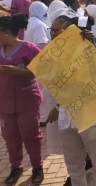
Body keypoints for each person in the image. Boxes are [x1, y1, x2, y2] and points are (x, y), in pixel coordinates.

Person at [46, 15, 96, 186]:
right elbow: (63, 86)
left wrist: (92, 47)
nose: (54, 34)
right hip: (67, 120)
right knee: (74, 165)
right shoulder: (56, 56)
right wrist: (58, 107)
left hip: (90, 117)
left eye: (58, 30)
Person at [0, 14, 44, 185]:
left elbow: (40, 71)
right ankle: (16, 167)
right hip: (4, 102)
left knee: (31, 135)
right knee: (10, 136)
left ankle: (37, 167)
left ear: (6, 33)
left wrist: (15, 71)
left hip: (27, 100)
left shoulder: (29, 49)